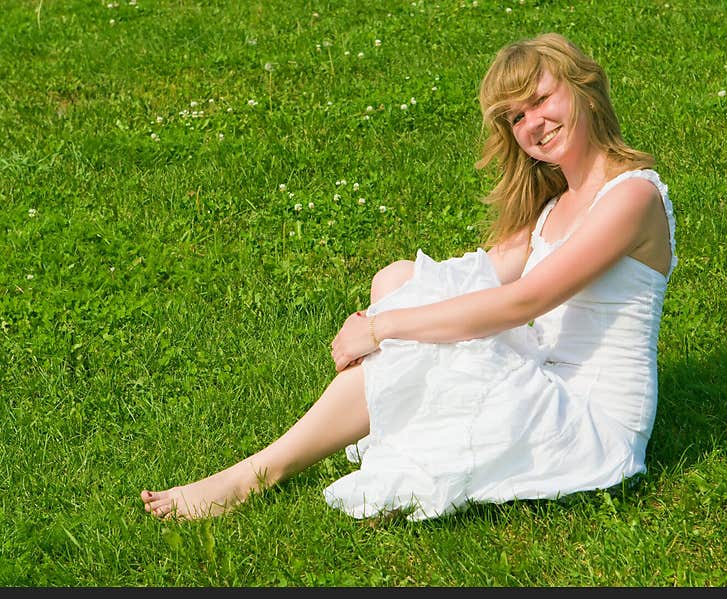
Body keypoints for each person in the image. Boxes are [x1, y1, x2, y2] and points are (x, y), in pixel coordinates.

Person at [140, 32, 677, 521]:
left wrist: (382, 329)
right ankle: (277, 461)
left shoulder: (631, 196)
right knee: (400, 281)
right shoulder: (554, 205)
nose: (532, 124)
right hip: (547, 376)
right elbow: (474, 275)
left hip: (592, 424)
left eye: (540, 100)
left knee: (415, 330)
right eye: (515, 117)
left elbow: (523, 303)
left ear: (583, 88)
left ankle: (253, 475)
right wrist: (392, 298)